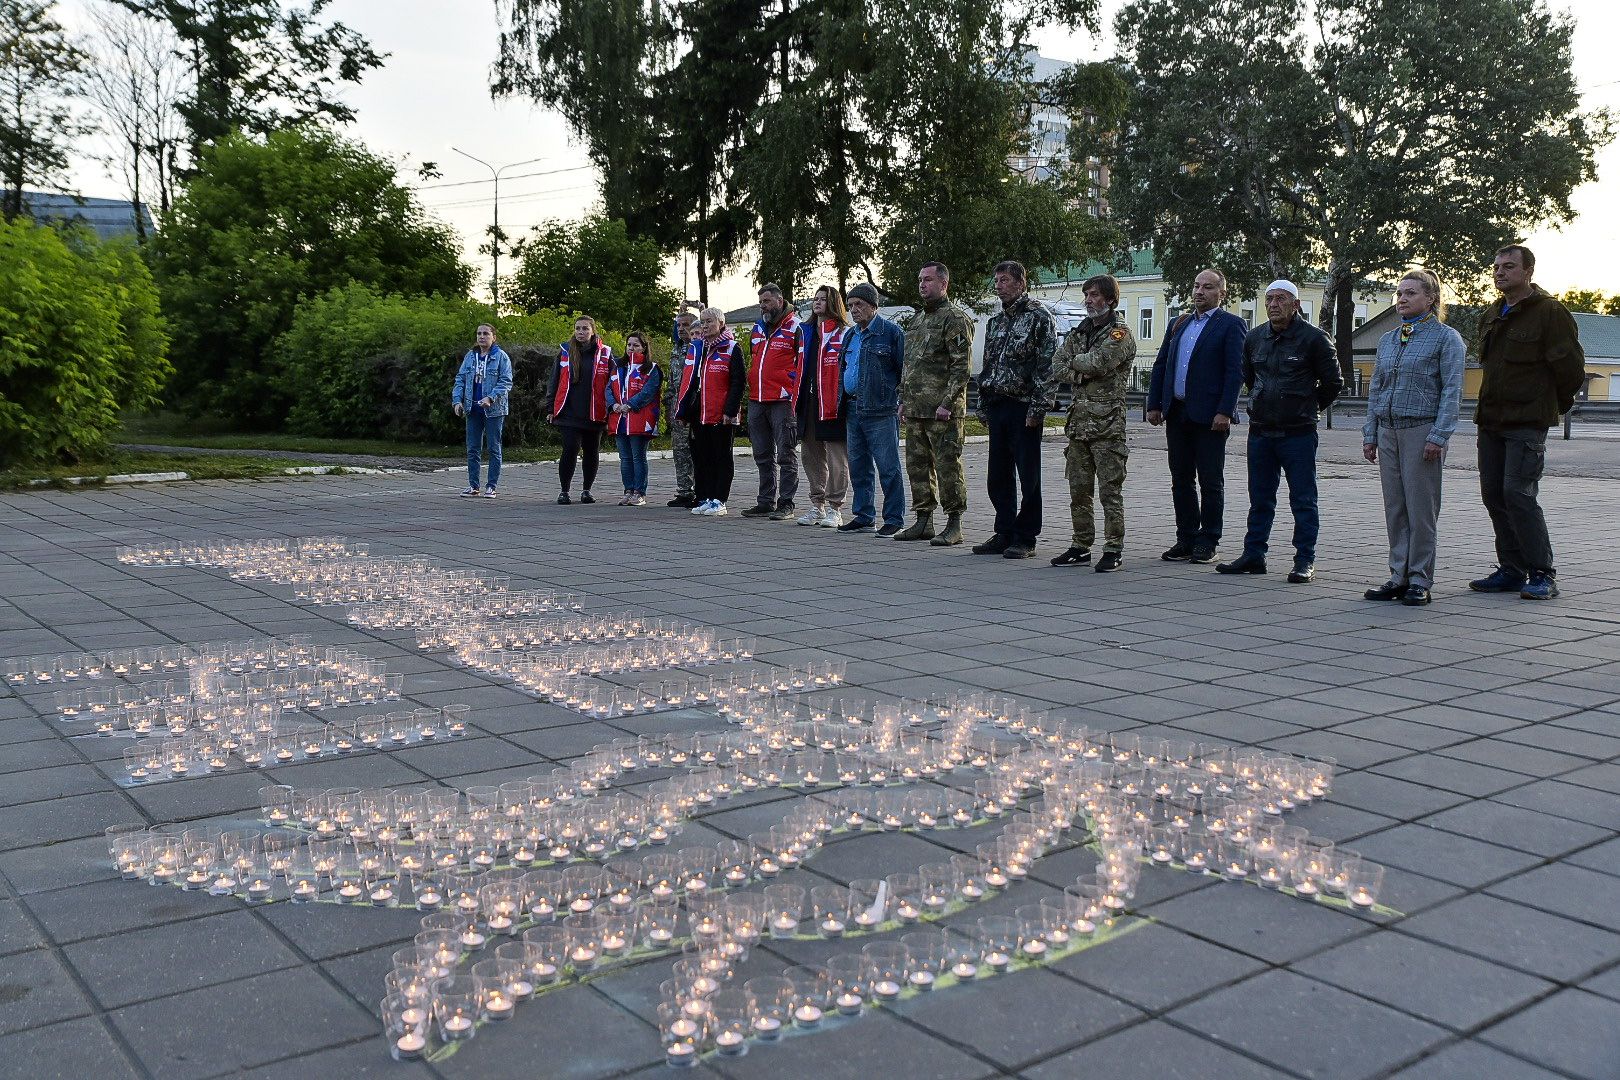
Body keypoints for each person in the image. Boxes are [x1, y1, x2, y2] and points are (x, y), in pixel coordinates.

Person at [1468, 245, 1586, 601]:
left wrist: (1549, 407)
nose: (1500, 273)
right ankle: (1511, 569)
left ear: (1528, 271)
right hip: (1490, 420)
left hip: (1526, 421)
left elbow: (1570, 370)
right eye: (1496, 267)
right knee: (1493, 495)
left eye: (1508, 267)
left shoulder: (1550, 313)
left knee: (1519, 494)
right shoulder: (1492, 313)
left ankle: (1542, 573)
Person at [1217, 280, 1342, 582]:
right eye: (1269, 299)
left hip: (1297, 433)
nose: (1274, 304)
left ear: (1296, 304)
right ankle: (1254, 554)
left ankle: (1304, 559)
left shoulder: (1314, 339)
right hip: (1261, 431)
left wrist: (1307, 408)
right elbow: (1249, 376)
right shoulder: (1255, 337)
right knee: (1260, 498)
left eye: (1281, 299)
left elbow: (1333, 383)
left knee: (1303, 499)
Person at [1361, 269, 1466, 606]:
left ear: (1430, 298)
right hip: (1389, 430)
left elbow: (1452, 390)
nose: (1401, 299)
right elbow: (1377, 388)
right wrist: (1370, 432)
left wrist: (1439, 434)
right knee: (1395, 508)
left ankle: (1420, 578)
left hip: (1422, 431)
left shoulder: (1446, 338)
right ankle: (1397, 575)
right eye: (1399, 293)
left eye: (1409, 293)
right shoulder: (1389, 339)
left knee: (1421, 509)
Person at [1146, 268, 1245, 563]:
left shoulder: (1231, 325)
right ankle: (1186, 537)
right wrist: (1154, 403)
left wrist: (1225, 410)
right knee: (1181, 478)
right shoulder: (1179, 324)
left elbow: (1234, 372)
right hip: (1177, 412)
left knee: (1211, 481)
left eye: (1208, 287)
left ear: (1221, 294)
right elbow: (1162, 363)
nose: (1199, 292)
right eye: (1196, 286)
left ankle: (1209, 539)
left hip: (1210, 417)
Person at [1049, 275, 1135, 572]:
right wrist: (1080, 373)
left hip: (1108, 427)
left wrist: (1080, 365)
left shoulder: (1119, 334)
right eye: (1086, 295)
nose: (1088, 300)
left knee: (1110, 491)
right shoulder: (1079, 332)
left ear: (1110, 299)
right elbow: (1057, 365)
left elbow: (1100, 362)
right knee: (1078, 491)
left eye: (1095, 295)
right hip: (1079, 426)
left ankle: (1113, 548)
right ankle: (1080, 545)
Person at [972, 260, 1057, 559]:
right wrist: (982, 404)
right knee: (997, 475)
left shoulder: (1039, 317)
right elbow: (989, 366)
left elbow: (1047, 367)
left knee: (1028, 475)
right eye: (996, 280)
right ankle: (1004, 530)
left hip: (1024, 407)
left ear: (1021, 283)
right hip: (998, 404)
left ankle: (1026, 536)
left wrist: (1038, 407)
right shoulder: (996, 322)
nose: (999, 285)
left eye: (1005, 280)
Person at [896, 261, 972, 547]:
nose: (922, 285)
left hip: (943, 412)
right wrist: (904, 399)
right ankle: (924, 520)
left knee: (948, 467)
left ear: (943, 283)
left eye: (928, 279)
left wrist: (948, 403)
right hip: (916, 409)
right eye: (920, 279)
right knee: (917, 466)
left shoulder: (955, 319)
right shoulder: (917, 319)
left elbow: (961, 367)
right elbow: (910, 364)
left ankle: (954, 524)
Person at [838, 282, 907, 536]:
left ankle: (894, 518)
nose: (854, 310)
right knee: (858, 466)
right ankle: (864, 515)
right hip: (853, 407)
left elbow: (903, 371)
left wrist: (902, 401)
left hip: (881, 410)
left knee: (888, 467)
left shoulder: (891, 333)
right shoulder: (850, 335)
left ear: (874, 306)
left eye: (859, 305)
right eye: (851, 305)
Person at [743, 283, 804, 521]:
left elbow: (801, 364)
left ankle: (786, 503)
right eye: (760, 303)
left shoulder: (796, 327)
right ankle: (765, 501)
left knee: (786, 454)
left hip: (782, 400)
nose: (762, 307)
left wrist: (792, 392)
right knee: (762, 454)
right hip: (758, 399)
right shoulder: (757, 329)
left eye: (766, 302)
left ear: (780, 301)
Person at [677, 306, 745, 516]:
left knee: (721, 457)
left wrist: (730, 410)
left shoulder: (732, 347)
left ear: (721, 324)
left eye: (709, 322)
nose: (705, 326)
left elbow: (738, 382)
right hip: (701, 413)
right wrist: (685, 412)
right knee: (703, 457)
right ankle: (706, 497)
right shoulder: (699, 348)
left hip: (721, 414)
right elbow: (689, 382)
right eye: (703, 322)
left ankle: (720, 500)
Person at [796, 285, 851, 529]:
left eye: (823, 299)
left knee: (836, 456)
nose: (817, 303)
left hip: (832, 401)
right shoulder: (805, 331)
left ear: (834, 303)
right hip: (807, 401)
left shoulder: (843, 332)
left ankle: (834, 508)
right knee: (810, 454)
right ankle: (816, 505)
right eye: (815, 299)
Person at [547, 315, 614, 504]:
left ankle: (587, 490)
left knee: (591, 451)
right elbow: (554, 381)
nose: (581, 332)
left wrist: (613, 407)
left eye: (585, 329)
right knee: (570, 448)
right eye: (578, 329)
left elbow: (614, 383)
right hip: (569, 411)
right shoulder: (565, 353)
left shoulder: (605, 354)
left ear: (593, 331)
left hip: (594, 411)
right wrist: (550, 407)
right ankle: (564, 491)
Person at [451, 323, 513, 498]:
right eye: (479, 333)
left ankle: (491, 486)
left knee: (494, 447)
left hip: (494, 410)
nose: (481, 337)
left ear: (493, 336)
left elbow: (506, 381)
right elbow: (460, 379)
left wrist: (491, 397)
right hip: (472, 408)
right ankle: (473, 486)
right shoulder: (471, 356)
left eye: (486, 333)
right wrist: (457, 401)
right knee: (472, 448)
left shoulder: (501, 357)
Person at [607, 330, 662, 506]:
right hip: (620, 419)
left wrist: (630, 404)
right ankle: (628, 490)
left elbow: (648, 392)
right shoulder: (618, 366)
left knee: (638, 457)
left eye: (636, 345)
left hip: (639, 419)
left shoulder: (652, 369)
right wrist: (613, 405)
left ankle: (639, 492)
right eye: (629, 345)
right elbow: (608, 388)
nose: (631, 348)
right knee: (625, 457)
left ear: (644, 348)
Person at [664, 310, 699, 507]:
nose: (682, 329)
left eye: (686, 325)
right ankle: (684, 490)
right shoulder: (676, 350)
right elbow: (672, 381)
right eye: (679, 325)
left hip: (694, 406)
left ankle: (700, 490)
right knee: (680, 451)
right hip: (677, 407)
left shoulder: (699, 348)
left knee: (697, 451)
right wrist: (669, 404)